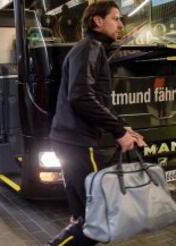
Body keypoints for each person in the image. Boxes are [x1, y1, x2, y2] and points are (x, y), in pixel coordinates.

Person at [47, 1, 146, 245]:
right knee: (95, 219)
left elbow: (98, 99)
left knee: (86, 216)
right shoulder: (90, 47)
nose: (121, 24)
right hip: (79, 143)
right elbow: (81, 96)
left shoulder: (92, 48)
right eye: (116, 18)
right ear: (97, 21)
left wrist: (123, 128)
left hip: (71, 141)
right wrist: (117, 130)